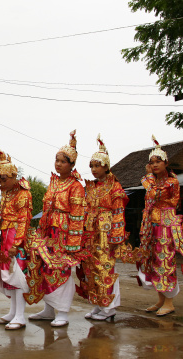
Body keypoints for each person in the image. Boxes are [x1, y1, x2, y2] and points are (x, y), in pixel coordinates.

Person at [24, 130, 86, 327]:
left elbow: (77, 215)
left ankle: (63, 312)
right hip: (48, 233)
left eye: (63, 161)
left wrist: (74, 243)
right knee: (45, 268)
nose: (58, 164)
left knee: (61, 269)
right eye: (56, 160)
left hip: (64, 235)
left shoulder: (76, 186)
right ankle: (49, 309)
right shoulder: (53, 182)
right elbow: (45, 209)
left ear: (72, 164)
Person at [76, 135, 133, 321]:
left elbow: (118, 212)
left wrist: (116, 237)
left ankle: (108, 308)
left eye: (97, 165)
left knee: (104, 268)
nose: (93, 169)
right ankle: (97, 304)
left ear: (106, 166)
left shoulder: (114, 187)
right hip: (91, 233)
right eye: (91, 166)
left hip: (105, 234)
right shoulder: (91, 187)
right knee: (90, 268)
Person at [137, 135, 183, 316]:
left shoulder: (171, 182)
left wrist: (149, 178)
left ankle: (170, 302)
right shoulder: (151, 181)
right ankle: (161, 299)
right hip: (151, 224)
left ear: (166, 163)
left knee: (165, 261)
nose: (155, 165)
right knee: (153, 261)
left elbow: (156, 195)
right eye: (152, 162)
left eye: (158, 162)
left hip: (166, 224)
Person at [0, 146, 33, 330]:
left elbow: (24, 220)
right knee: (7, 275)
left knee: (18, 275)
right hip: (5, 236)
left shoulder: (24, 193)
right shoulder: (6, 193)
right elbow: (1, 213)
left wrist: (17, 243)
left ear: (14, 176)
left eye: (4, 178)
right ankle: (13, 311)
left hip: (16, 237)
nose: (1, 182)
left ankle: (20, 316)